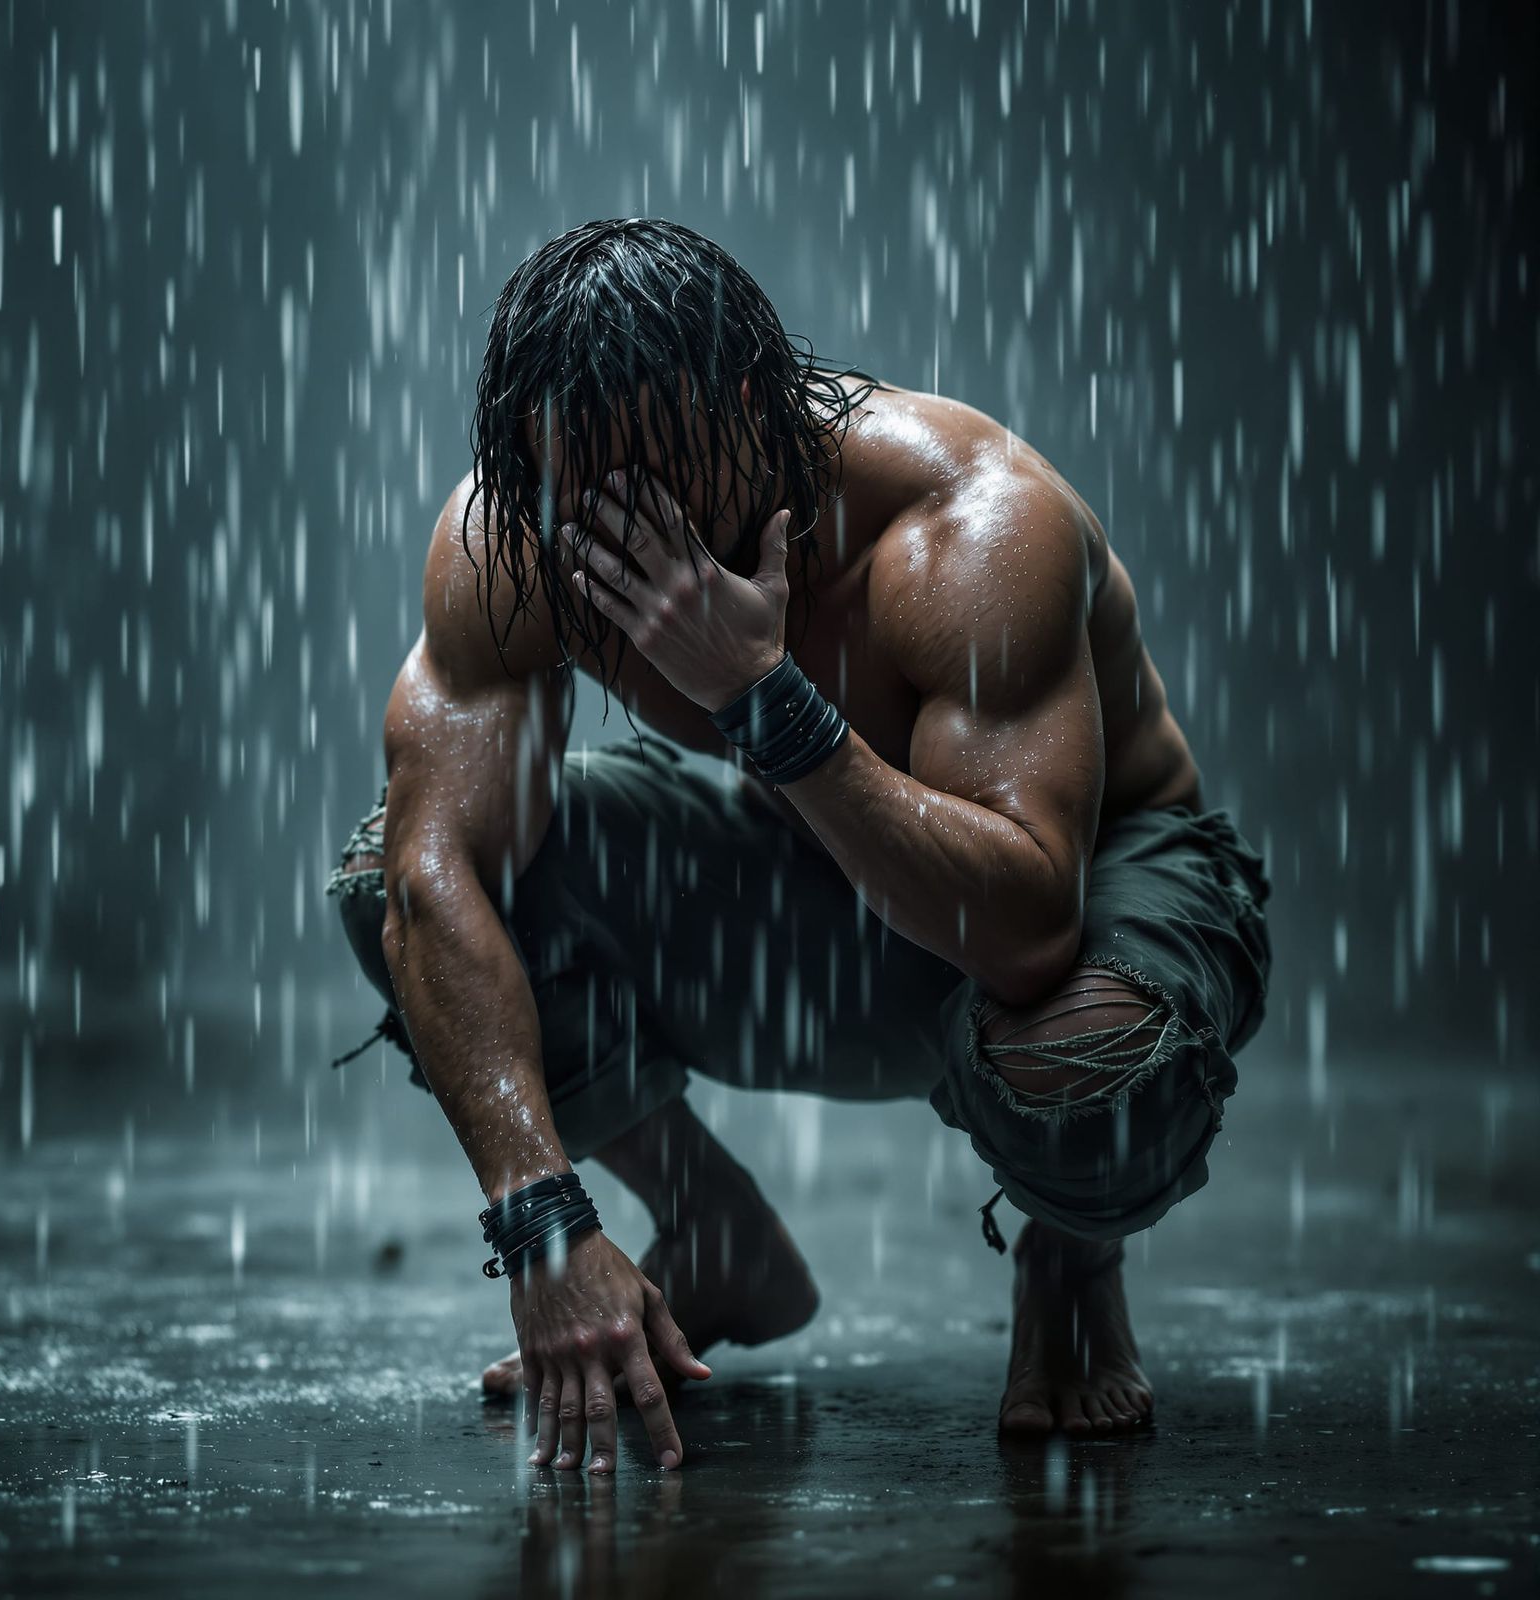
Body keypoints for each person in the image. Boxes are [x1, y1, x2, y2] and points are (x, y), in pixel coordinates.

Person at [326, 218, 1273, 1474]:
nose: (626, 533)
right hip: (830, 900)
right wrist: (544, 1228)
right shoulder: (521, 540)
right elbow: (433, 879)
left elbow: (1029, 929)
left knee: (1085, 1052)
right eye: (580, 497)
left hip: (1081, 899)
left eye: (659, 481)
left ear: (748, 411)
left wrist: (762, 695)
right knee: (395, 872)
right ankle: (715, 1233)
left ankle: (1070, 1256)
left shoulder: (969, 523)